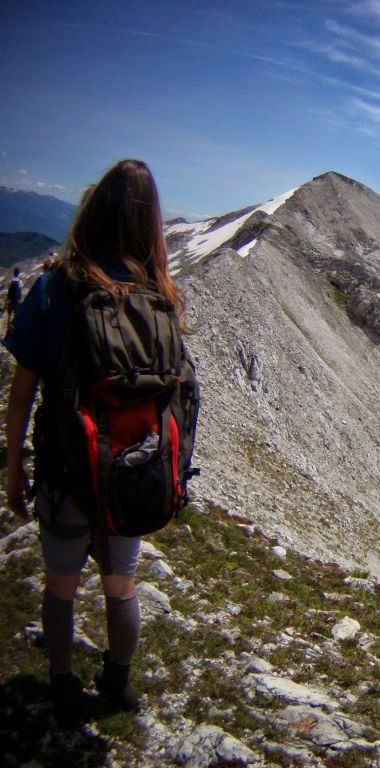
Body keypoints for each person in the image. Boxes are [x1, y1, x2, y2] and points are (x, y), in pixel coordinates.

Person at [4, 159, 187, 724]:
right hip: (133, 470)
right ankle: (119, 684)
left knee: (61, 584)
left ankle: (61, 686)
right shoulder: (161, 297)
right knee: (122, 582)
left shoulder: (59, 285)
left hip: (67, 468)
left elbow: (22, 390)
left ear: (94, 208)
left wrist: (14, 466)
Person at [5, 267, 23, 332]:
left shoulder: (11, 281)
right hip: (17, 300)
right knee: (15, 313)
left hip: (11, 300)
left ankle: (8, 327)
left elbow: (9, 291)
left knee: (9, 314)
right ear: (19, 274)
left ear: (14, 273)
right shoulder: (20, 282)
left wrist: (7, 299)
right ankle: (15, 327)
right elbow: (21, 291)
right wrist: (20, 299)